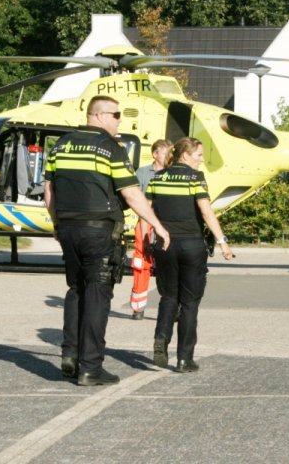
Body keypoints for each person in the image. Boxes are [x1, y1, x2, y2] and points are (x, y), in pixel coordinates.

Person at [44, 96, 170, 387]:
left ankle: (70, 355)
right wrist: (157, 225)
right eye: (116, 115)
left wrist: (57, 223)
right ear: (99, 115)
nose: (119, 121)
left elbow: (49, 191)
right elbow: (131, 194)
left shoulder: (61, 145)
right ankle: (91, 367)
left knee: (76, 289)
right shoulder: (110, 148)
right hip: (99, 231)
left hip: (68, 229)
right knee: (97, 295)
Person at [144, 137, 234, 373]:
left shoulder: (157, 178)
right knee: (190, 303)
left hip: (164, 245)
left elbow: (147, 211)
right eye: (199, 155)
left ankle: (161, 337)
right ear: (185, 155)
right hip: (191, 245)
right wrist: (222, 242)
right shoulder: (195, 178)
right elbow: (206, 212)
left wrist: (145, 240)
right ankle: (184, 359)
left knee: (168, 297)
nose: (202, 160)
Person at [129, 139, 172, 320]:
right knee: (141, 263)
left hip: (167, 223)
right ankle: (138, 307)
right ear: (155, 154)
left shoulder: (173, 173)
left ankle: (172, 307)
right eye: (166, 153)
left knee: (169, 265)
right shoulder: (142, 173)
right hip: (145, 223)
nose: (170, 157)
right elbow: (134, 198)